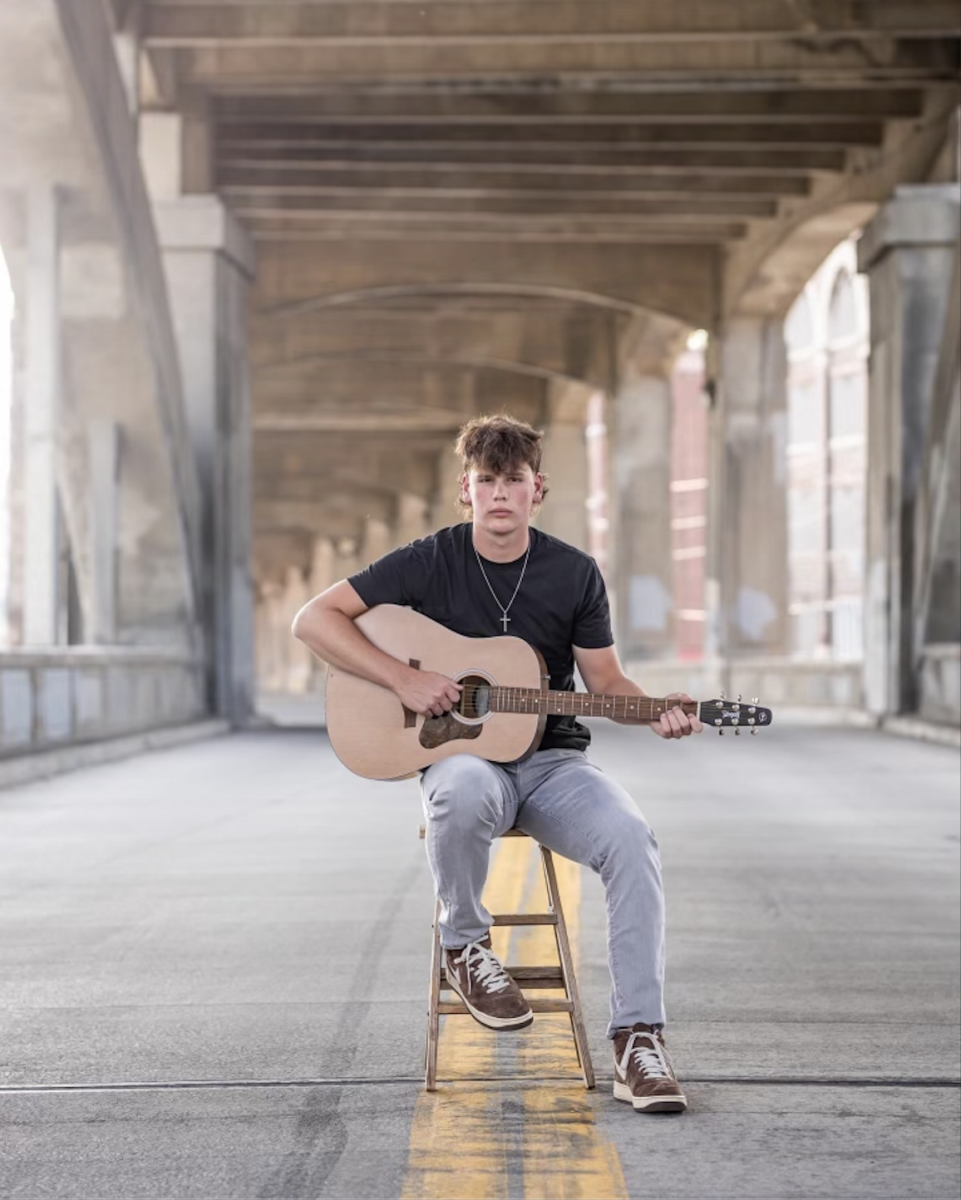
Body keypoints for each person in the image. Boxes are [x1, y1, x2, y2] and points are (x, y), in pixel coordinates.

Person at [292, 413, 703, 1115]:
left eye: (513, 480)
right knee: (455, 789)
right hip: (465, 764)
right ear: (467, 489)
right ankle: (466, 947)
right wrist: (401, 678)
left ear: (535, 488)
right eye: (488, 481)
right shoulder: (429, 560)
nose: (500, 494)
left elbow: (605, 683)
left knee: (633, 839)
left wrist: (656, 707)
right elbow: (314, 619)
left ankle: (638, 1039)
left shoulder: (573, 573)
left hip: (552, 768)